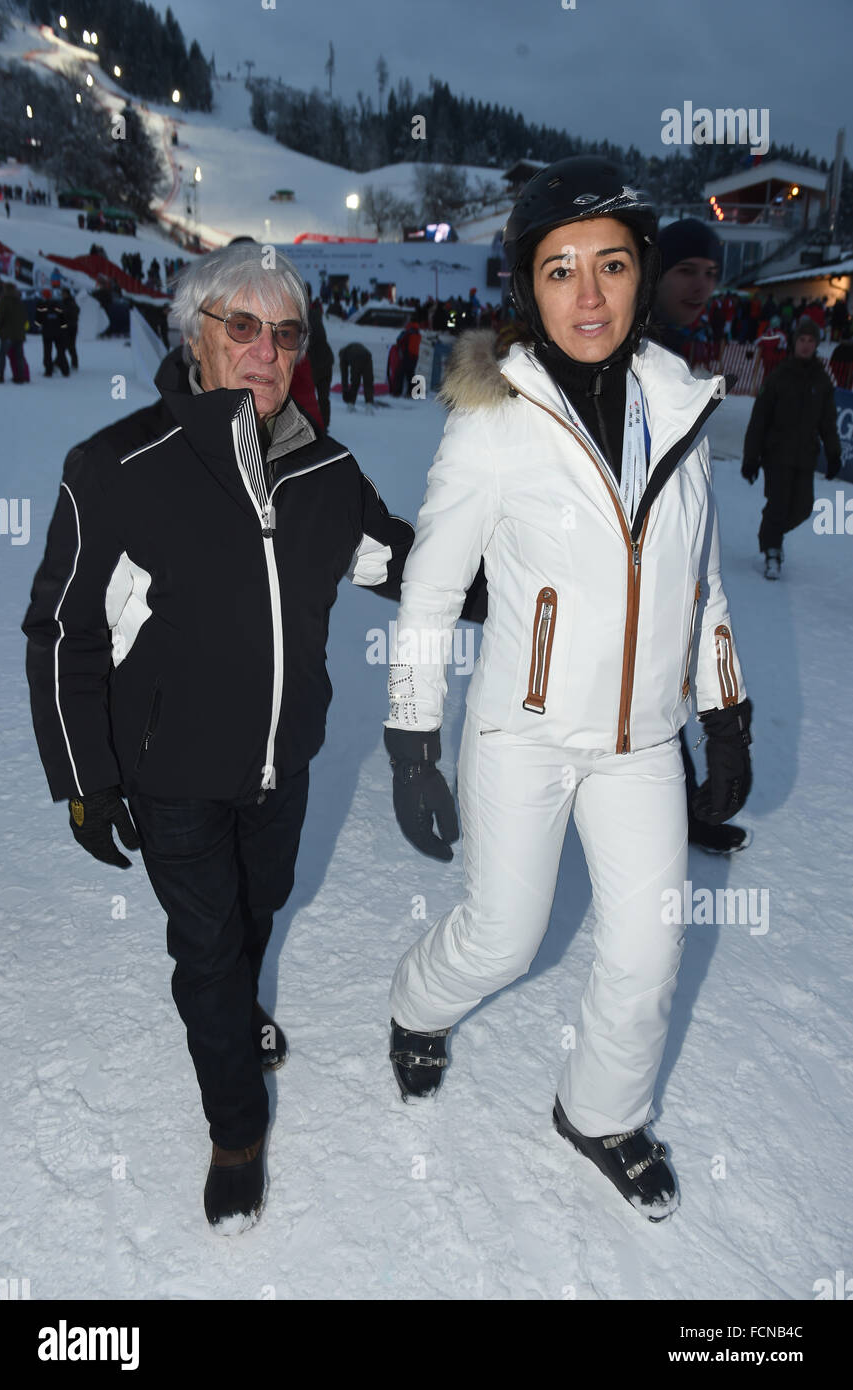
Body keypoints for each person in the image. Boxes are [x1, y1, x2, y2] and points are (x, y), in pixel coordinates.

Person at [382, 157, 752, 1222]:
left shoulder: (681, 407)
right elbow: (430, 587)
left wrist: (723, 711)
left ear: (641, 277)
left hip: (639, 742)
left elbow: (705, 582)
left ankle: (601, 1112)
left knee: (648, 946)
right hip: (524, 730)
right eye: (558, 271)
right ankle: (416, 1006)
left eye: (610, 266)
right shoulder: (493, 419)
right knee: (504, 934)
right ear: (526, 287)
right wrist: (414, 737)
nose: (586, 296)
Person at [22, 242, 414, 1234]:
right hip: (170, 775)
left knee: (256, 911)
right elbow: (62, 627)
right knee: (206, 948)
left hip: (282, 769)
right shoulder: (118, 467)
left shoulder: (325, 470)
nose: (266, 351)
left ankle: (240, 1001)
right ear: (192, 337)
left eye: (284, 333)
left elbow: (400, 563)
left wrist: (525, 576)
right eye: (241, 326)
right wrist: (85, 775)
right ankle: (236, 1127)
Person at [647, 218, 748, 856]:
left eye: (710, 274)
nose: (701, 285)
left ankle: (679, 812)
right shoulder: (629, 354)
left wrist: (729, 724)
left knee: (658, 697)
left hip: (661, 579)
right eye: (687, 270)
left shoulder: (678, 357)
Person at [742, 316, 841, 579]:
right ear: (794, 342)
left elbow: (828, 422)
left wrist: (833, 454)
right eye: (802, 340)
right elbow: (759, 419)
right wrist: (751, 457)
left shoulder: (822, 381)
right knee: (778, 504)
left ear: (816, 345)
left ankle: (769, 535)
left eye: (811, 341)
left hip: (805, 456)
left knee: (803, 508)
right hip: (776, 454)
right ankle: (772, 552)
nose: (806, 345)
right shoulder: (779, 376)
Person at [0, 282, 29, 383]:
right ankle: (20, 377)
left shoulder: (4, 301)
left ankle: (0, 376)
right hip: (19, 334)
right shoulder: (20, 301)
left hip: (7, 333)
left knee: (2, 355)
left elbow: (0, 317)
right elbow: (24, 317)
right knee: (19, 356)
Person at [306, 298, 334, 429]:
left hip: (316, 363)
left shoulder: (305, 318)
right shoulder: (316, 315)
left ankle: (314, 426)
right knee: (323, 397)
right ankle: (324, 426)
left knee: (308, 396)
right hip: (326, 360)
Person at [34, 293, 70, 377]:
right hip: (59, 333)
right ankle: (65, 370)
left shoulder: (42, 307)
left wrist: (39, 327)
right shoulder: (58, 306)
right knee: (61, 352)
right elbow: (63, 319)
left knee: (47, 352)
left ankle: (48, 371)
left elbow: (38, 320)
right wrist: (63, 329)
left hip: (46, 333)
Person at [338, 341, 375, 410]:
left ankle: (350, 405)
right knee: (368, 381)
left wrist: (345, 390)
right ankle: (369, 405)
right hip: (367, 355)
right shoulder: (350, 347)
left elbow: (344, 375)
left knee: (355, 382)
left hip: (356, 357)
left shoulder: (343, 355)